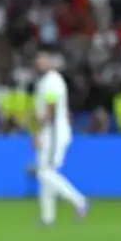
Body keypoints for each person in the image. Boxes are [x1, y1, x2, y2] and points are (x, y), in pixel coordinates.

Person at [30, 50, 88, 225]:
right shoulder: (45, 81)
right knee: (47, 172)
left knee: (44, 172)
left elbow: (50, 109)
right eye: (38, 61)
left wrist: (39, 131)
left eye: (43, 60)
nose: (39, 64)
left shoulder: (53, 81)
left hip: (53, 131)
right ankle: (48, 217)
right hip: (50, 130)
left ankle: (79, 200)